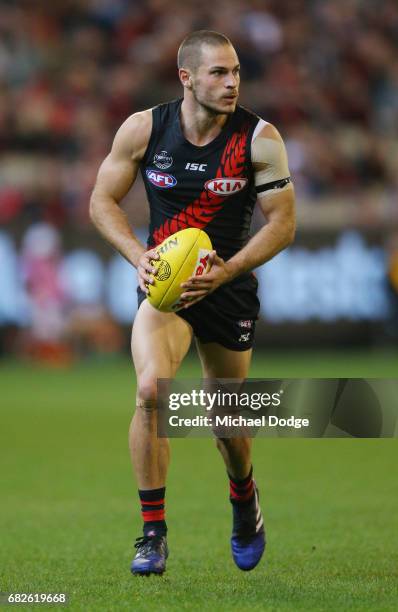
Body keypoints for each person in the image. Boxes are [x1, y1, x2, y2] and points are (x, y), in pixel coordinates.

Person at [90, 30, 295, 575]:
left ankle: (244, 496)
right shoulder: (143, 129)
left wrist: (227, 270)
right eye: (217, 73)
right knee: (149, 393)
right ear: (186, 78)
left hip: (227, 287)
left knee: (224, 420)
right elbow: (102, 200)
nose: (231, 83)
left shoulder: (260, 138)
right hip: (166, 287)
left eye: (235, 73)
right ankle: (152, 534)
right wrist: (139, 256)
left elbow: (284, 223)